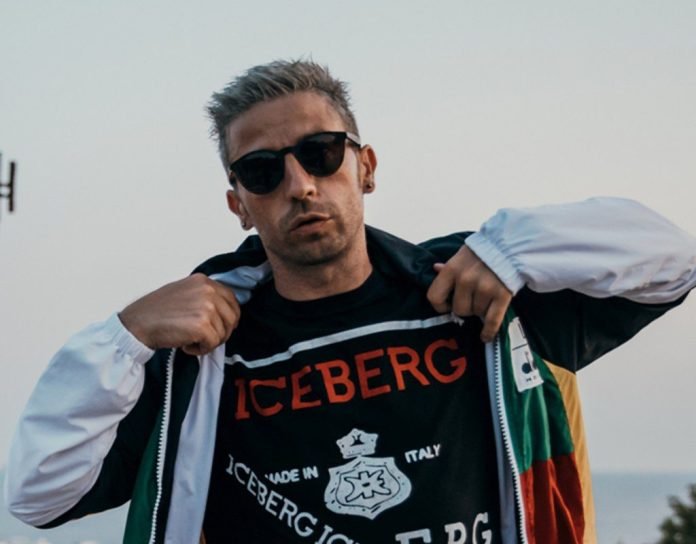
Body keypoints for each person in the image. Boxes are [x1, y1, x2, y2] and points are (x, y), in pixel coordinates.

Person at [5, 60, 696, 544]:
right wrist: (123, 338)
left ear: (364, 167)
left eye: (322, 153)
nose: (300, 186)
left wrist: (516, 247)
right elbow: (39, 496)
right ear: (238, 204)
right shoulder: (200, 359)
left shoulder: (473, 293)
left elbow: (673, 263)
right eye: (262, 171)